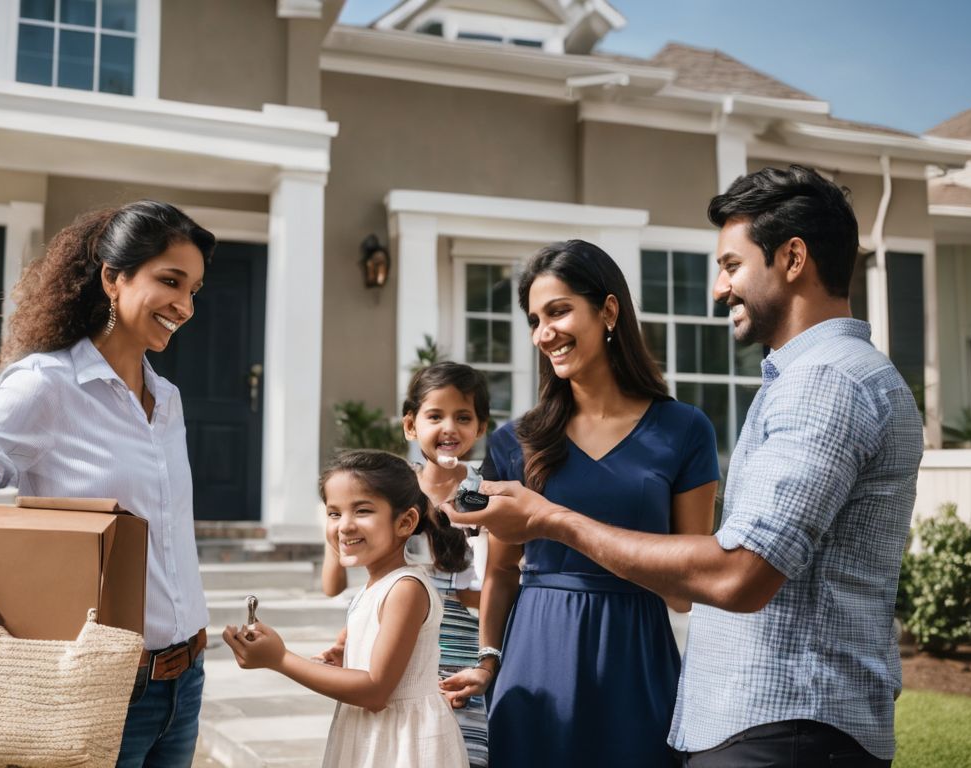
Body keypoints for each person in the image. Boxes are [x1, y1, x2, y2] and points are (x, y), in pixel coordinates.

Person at [448, 165, 922, 767]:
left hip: (785, 723)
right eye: (534, 319)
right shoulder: (808, 380)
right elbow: (503, 570)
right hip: (744, 716)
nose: (719, 289)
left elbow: (734, 574)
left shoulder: (822, 383)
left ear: (794, 257)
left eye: (730, 265)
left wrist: (555, 520)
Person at [0, 200, 217, 768]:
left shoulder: (166, 398)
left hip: (184, 680)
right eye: (170, 281)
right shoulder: (47, 386)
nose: (185, 305)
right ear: (113, 280)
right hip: (98, 686)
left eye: (193, 289)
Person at [438, 240, 720, 766]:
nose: (545, 333)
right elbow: (501, 570)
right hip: (535, 658)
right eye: (535, 319)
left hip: (637, 658)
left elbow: (688, 586)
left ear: (609, 310)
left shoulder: (685, 430)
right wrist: (489, 660)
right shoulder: (514, 441)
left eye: (559, 311)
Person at [223, 450, 470, 768]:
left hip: (402, 744)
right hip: (371, 733)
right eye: (334, 513)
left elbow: (375, 691)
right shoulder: (375, 586)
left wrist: (280, 659)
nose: (345, 526)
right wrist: (344, 660)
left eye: (363, 511)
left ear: (405, 521)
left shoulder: (405, 589)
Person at [318, 362, 491, 767]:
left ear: (480, 427)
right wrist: (348, 638)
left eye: (462, 417)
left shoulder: (484, 494)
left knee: (449, 752)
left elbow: (484, 592)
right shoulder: (390, 490)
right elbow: (361, 584)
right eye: (435, 416)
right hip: (395, 645)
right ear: (411, 426)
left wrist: (486, 661)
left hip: (456, 649)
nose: (448, 428)